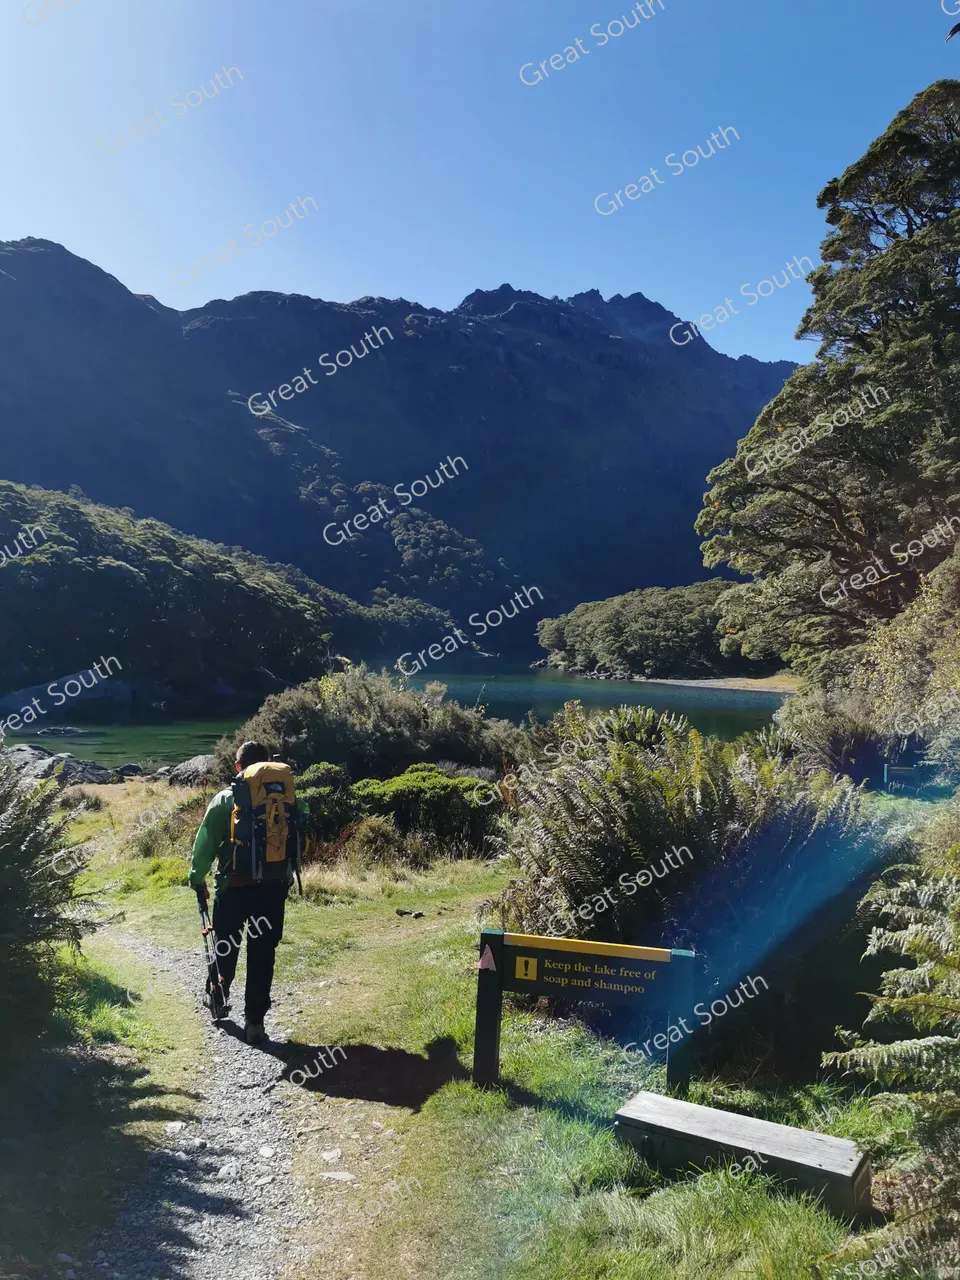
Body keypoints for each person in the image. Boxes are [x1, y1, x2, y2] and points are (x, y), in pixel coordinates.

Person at [189, 740, 307, 1044]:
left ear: (238, 767)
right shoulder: (286, 797)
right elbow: (299, 828)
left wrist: (196, 876)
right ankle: (255, 1022)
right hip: (272, 888)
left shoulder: (226, 799)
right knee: (262, 952)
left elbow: (204, 843)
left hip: (233, 887)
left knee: (225, 945)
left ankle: (218, 997)